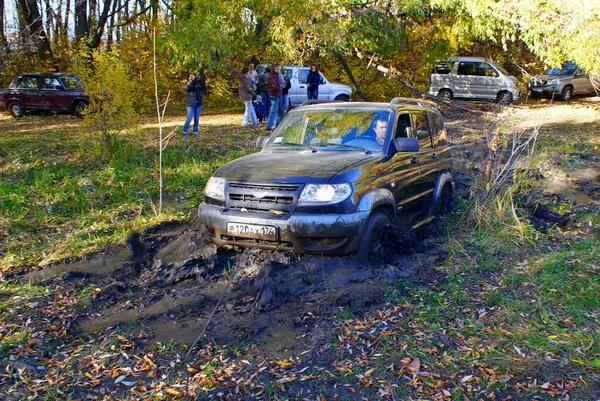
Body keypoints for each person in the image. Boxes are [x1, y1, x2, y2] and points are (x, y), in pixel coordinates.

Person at [182, 71, 205, 136]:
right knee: (189, 117)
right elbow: (187, 88)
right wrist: (191, 80)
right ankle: (185, 130)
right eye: (191, 76)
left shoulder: (197, 84)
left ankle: (195, 131)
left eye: (193, 76)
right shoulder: (187, 84)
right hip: (190, 104)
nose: (192, 78)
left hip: (198, 103)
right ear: (188, 78)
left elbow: (203, 88)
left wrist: (200, 80)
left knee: (196, 118)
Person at [265, 64, 282, 131]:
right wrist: (279, 89)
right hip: (275, 94)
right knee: (273, 110)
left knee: (276, 110)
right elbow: (273, 85)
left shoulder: (275, 74)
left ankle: (277, 124)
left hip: (275, 94)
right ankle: (268, 125)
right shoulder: (273, 75)